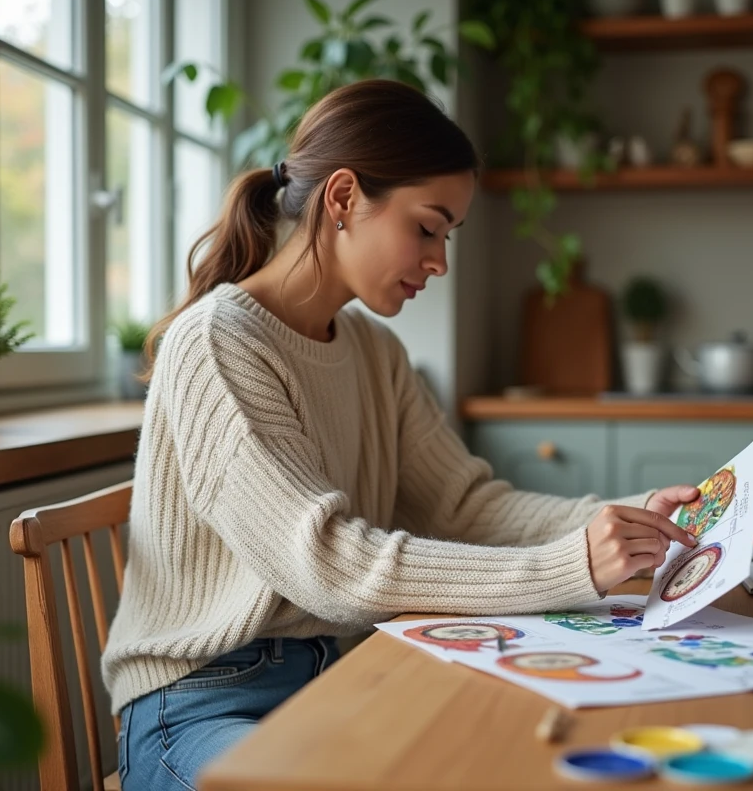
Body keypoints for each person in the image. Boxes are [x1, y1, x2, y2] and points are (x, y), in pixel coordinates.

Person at [101, 79, 699, 791]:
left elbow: (467, 508)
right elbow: (328, 565)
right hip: (200, 704)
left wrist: (630, 521)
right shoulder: (217, 344)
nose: (439, 262)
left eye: (447, 236)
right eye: (427, 227)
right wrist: (569, 568)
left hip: (339, 677)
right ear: (344, 198)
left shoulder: (375, 352)